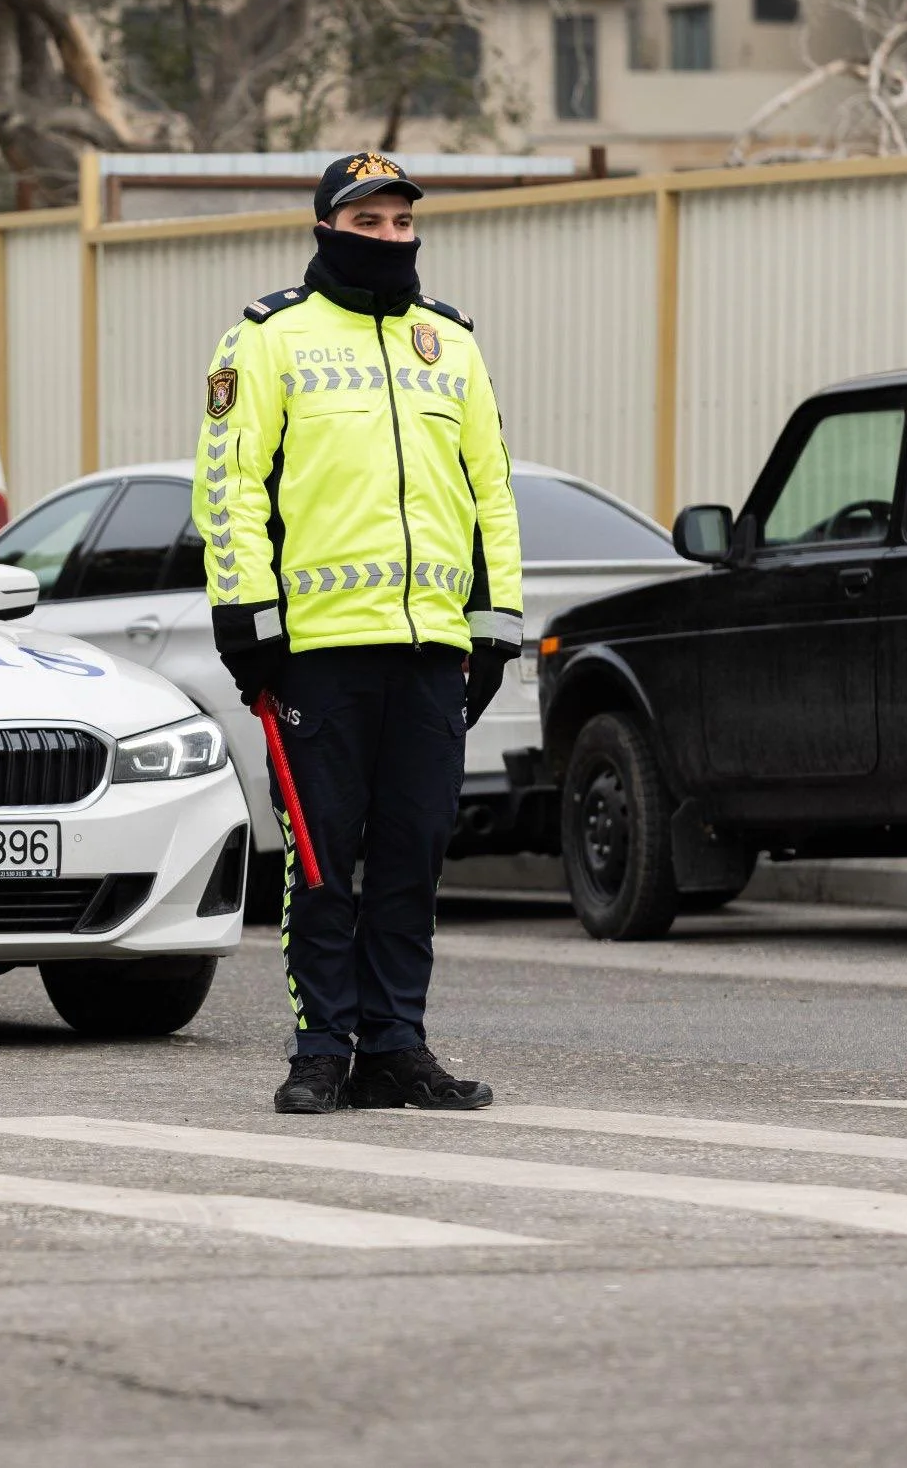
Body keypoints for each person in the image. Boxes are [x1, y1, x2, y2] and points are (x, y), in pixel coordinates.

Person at [193, 150, 523, 1115]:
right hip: (316, 655)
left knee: (413, 853)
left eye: (399, 222)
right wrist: (248, 625)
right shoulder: (267, 340)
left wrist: (492, 626)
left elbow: (490, 492)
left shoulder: (450, 345)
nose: (388, 237)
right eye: (368, 221)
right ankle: (320, 1050)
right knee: (324, 858)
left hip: (430, 651)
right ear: (327, 228)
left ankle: (396, 1046)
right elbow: (228, 491)